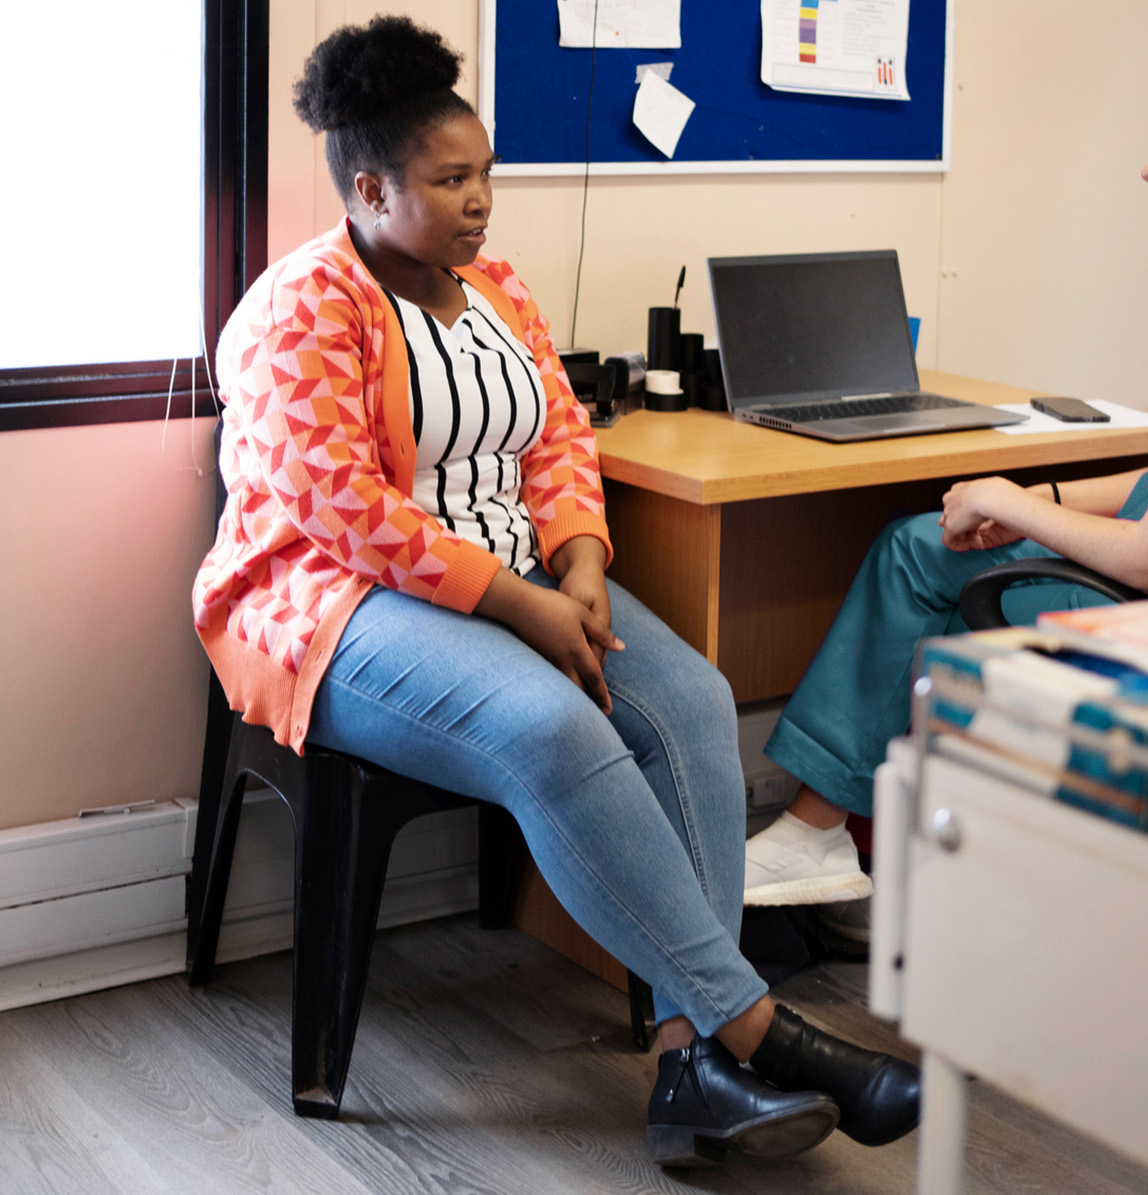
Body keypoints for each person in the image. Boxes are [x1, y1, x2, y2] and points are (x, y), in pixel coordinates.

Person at [190, 16, 919, 1169]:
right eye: (452, 179)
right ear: (371, 189)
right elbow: (346, 511)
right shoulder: (299, 309)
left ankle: (692, 1061)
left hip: (529, 578)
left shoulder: (496, 288)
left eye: (486, 174)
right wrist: (521, 605)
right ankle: (757, 1027)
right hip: (339, 609)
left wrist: (577, 562)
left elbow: (559, 437)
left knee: (692, 704)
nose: (482, 201)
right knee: (548, 725)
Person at [745, 49, 1148, 904]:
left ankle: (821, 834)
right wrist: (1034, 504)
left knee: (916, 556)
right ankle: (835, 838)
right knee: (931, 540)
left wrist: (1017, 504)